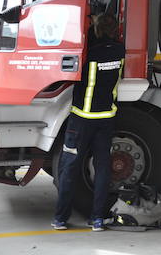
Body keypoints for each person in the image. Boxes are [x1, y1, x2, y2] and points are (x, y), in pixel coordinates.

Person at [52, 14, 125, 232]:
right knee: (103, 169)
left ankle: (61, 219)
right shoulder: (119, 51)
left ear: (96, 30)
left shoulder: (88, 52)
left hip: (82, 119)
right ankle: (97, 219)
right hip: (105, 118)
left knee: (70, 167)